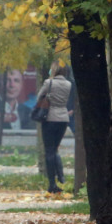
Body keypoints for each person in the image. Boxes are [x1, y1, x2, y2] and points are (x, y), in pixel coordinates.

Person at [34, 61, 72, 193]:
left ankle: (52, 183)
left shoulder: (48, 83)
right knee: (55, 149)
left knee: (49, 151)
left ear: (54, 70)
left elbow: (39, 97)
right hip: (63, 118)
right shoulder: (68, 84)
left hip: (49, 118)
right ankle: (61, 177)